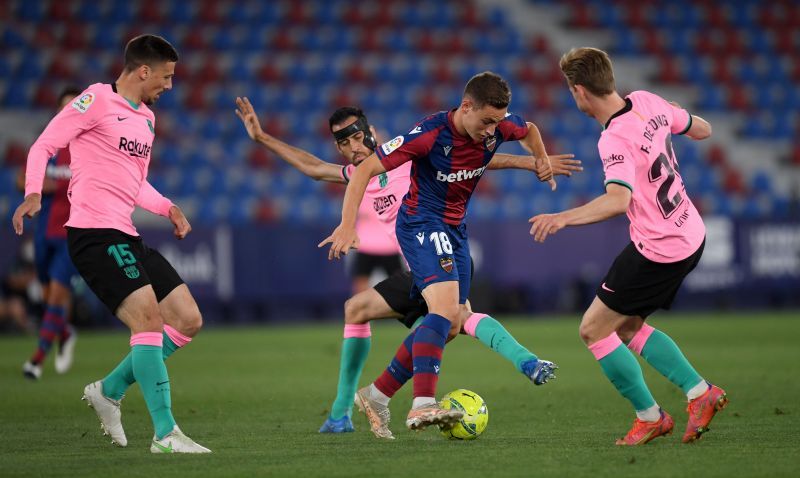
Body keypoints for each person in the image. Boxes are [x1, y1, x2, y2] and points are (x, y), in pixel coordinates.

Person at [236, 99, 580, 438]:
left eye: (357, 137)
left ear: (370, 133)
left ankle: (514, 365)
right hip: (419, 267)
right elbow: (312, 167)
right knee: (369, 311)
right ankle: (345, 412)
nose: (353, 148)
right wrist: (262, 138)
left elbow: (474, 160)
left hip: (434, 249)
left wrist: (532, 162)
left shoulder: (404, 154)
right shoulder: (358, 175)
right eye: (344, 142)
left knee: (449, 320)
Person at [321, 71, 559, 433]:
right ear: (466, 107)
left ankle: (377, 394)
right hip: (420, 223)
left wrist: (540, 159)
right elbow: (365, 168)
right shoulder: (429, 133)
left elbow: (530, 130)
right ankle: (422, 404)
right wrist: (347, 224)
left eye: (498, 122)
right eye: (486, 122)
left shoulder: (498, 124)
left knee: (451, 322)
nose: (493, 131)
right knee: (447, 312)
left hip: (456, 230)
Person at [12, 34, 210, 454]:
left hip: (126, 234)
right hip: (93, 235)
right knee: (148, 321)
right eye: (167, 77)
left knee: (188, 319)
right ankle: (165, 434)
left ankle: (109, 390)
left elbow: (135, 184)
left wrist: (168, 207)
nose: (169, 86)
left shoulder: (147, 120)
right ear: (143, 71)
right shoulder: (95, 101)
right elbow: (43, 145)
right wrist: (33, 192)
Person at [529, 47, 728, 445]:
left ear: (580, 91)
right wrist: (670, 116)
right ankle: (700, 393)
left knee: (593, 329)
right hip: (689, 231)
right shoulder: (648, 101)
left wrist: (562, 217)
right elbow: (703, 129)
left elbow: (618, 200)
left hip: (661, 247)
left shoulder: (614, 139)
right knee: (627, 325)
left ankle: (651, 416)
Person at [21, 86, 82, 380]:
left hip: (72, 233)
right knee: (49, 297)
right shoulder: (50, 145)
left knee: (58, 295)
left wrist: (51, 184)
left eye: (76, 106)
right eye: (65, 107)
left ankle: (36, 359)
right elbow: (24, 176)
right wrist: (47, 184)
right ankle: (66, 333)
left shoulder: (88, 146)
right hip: (44, 231)